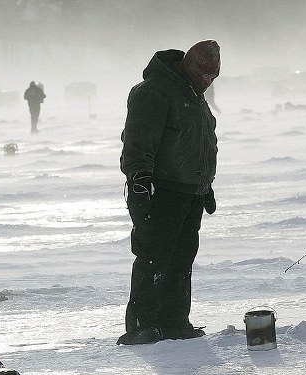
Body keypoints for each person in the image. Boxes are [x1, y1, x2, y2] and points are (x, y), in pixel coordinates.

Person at [117, 40, 220, 345]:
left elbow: (199, 142)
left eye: (213, 77)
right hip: (160, 191)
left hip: (191, 192)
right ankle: (141, 323)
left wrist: (205, 184)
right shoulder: (153, 91)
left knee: (182, 259)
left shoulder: (192, 94)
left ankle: (174, 321)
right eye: (204, 75)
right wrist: (139, 181)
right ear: (189, 66)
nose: (207, 82)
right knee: (154, 257)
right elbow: (137, 142)